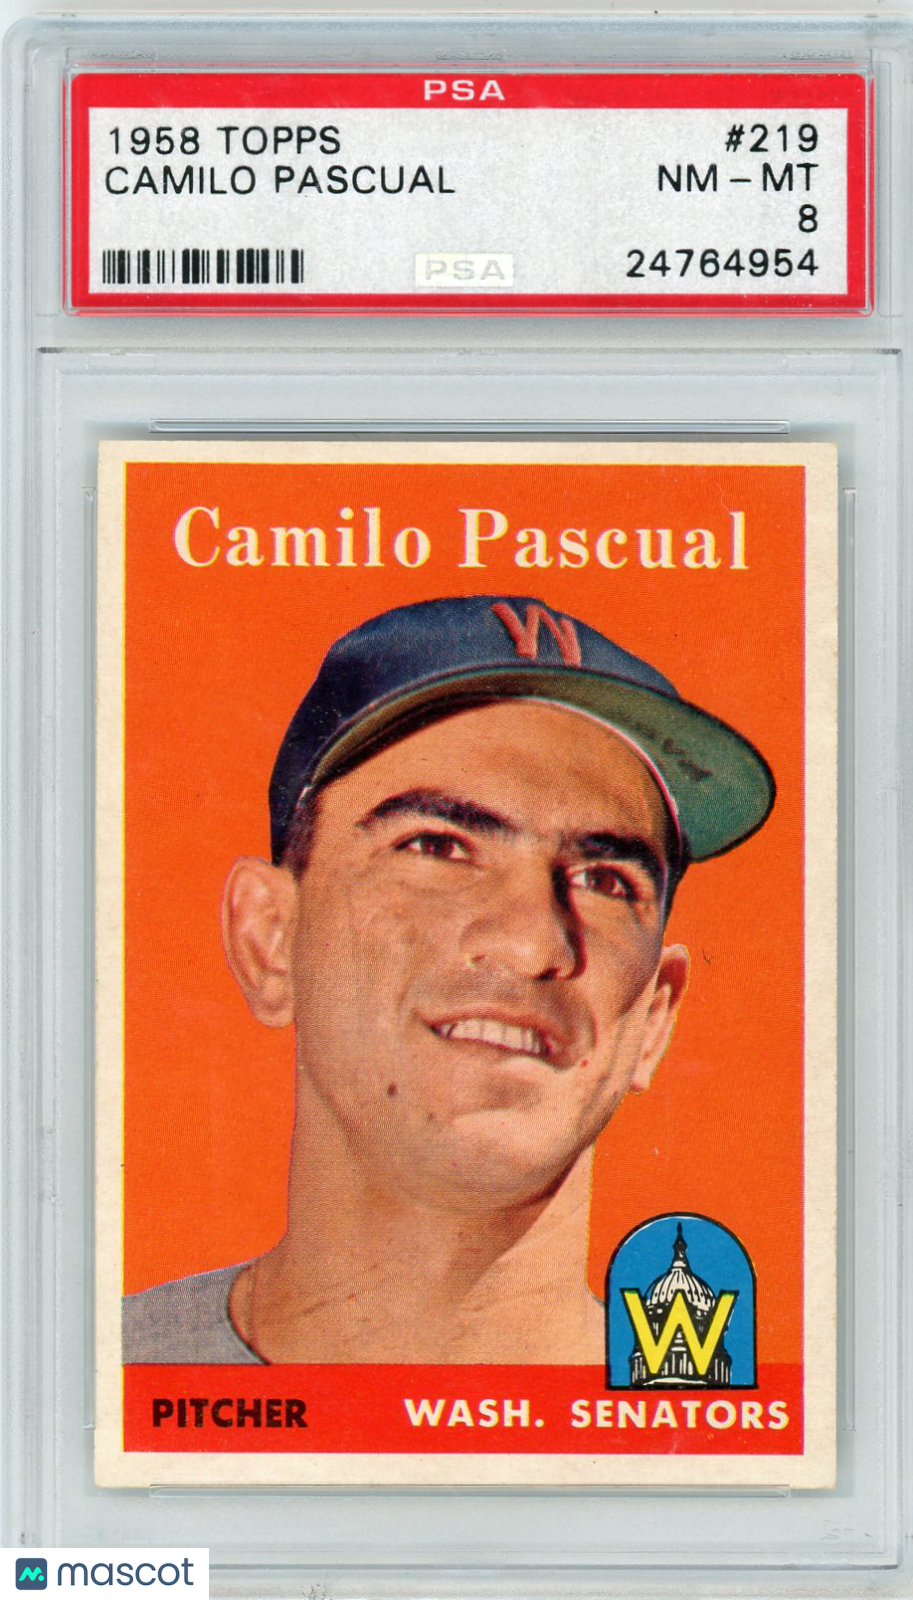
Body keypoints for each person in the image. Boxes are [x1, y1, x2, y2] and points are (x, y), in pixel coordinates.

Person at [123, 594, 774, 1365]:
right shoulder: (91, 1384)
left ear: (654, 1017)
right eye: (436, 847)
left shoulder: (710, 1422)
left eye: (603, 881)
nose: (531, 942)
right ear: (270, 939)